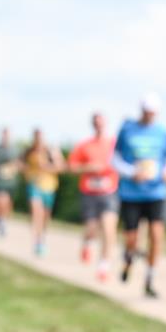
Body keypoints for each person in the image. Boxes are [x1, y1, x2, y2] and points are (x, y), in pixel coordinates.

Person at [113, 93, 166, 298]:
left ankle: (150, 279)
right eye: (147, 112)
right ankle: (129, 258)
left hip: (156, 191)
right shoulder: (127, 130)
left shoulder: (163, 133)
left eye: (153, 113)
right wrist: (132, 172)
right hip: (131, 193)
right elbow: (114, 159)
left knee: (156, 235)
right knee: (131, 238)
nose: (150, 116)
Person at [68, 113, 120, 282]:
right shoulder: (84, 146)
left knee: (108, 228)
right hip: (89, 192)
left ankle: (103, 266)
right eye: (96, 123)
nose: (99, 125)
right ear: (92, 125)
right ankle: (87, 242)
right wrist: (89, 167)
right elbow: (72, 167)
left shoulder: (114, 144)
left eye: (101, 122)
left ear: (105, 124)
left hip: (109, 191)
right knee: (92, 229)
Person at [22, 128, 65, 256]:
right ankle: (37, 241)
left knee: (45, 217)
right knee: (36, 213)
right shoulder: (29, 151)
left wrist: (46, 166)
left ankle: (42, 238)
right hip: (34, 186)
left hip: (49, 187)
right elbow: (22, 164)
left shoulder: (51, 151)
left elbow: (61, 167)